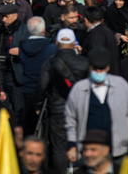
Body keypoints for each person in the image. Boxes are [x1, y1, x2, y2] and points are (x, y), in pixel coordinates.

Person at [65, 47, 128, 164]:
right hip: (88, 152)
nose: (98, 72)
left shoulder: (121, 85)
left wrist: (127, 130)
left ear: (108, 67)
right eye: (95, 68)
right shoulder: (79, 89)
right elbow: (70, 118)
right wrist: (72, 143)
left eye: (101, 68)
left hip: (117, 150)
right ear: (89, 67)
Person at [37, 28, 89, 173]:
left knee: (59, 147)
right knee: (81, 143)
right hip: (81, 110)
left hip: (58, 110)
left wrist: (37, 106)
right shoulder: (84, 62)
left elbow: (42, 86)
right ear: (74, 43)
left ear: (56, 43)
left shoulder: (50, 63)